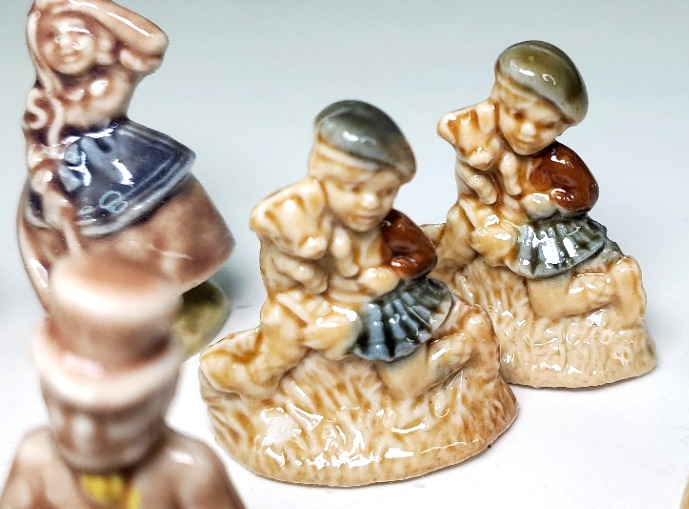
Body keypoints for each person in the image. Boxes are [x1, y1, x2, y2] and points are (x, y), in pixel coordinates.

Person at [199, 101, 516, 486]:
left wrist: (391, 273)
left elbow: (423, 256)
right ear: (321, 180)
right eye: (353, 189)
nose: (370, 204)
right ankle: (248, 381)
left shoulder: (390, 226)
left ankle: (463, 347)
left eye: (385, 192)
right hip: (322, 310)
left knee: (408, 384)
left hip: (389, 312)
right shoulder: (308, 224)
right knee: (282, 337)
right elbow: (278, 260)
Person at [430, 41, 655, 387]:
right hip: (491, 220)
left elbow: (586, 193)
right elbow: (453, 132)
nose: (527, 133)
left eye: (546, 125)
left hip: (544, 240)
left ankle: (614, 283)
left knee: (549, 304)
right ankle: (441, 281)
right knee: (459, 227)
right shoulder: (483, 129)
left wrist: (551, 204)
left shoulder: (556, 161)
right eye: (518, 115)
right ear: (497, 99)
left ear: (562, 128)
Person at [18, 0, 233, 326]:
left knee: (159, 222)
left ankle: (170, 295)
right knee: (67, 237)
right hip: (66, 179)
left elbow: (153, 41)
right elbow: (38, 146)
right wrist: (47, 182)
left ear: (101, 40)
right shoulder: (45, 99)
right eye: (52, 37)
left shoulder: (116, 74)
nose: (65, 45)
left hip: (126, 163)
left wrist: (88, 4)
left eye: (78, 33)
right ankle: (109, 308)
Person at [0, 255, 245, 509]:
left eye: (113, 418)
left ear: (165, 393)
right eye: (63, 406)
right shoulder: (37, 464)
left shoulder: (189, 474)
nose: (82, 433)